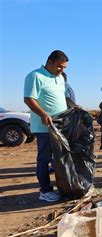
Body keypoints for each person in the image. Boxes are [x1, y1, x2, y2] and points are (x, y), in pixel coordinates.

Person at [24, 50, 69, 202]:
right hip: (44, 127)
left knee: (60, 159)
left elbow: (62, 98)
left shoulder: (60, 78)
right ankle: (45, 190)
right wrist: (43, 114)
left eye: (64, 68)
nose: (62, 70)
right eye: (59, 66)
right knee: (44, 158)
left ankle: (64, 187)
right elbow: (29, 99)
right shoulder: (35, 76)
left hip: (60, 126)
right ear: (49, 62)